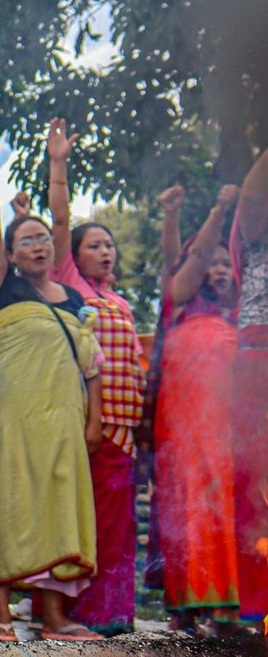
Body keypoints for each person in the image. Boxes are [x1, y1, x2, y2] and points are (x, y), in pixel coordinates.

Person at [0, 131, 104, 643]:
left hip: (66, 419)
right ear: (9, 253)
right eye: (25, 239)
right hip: (16, 415)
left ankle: (53, 620)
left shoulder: (74, 297)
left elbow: (91, 365)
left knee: (56, 507)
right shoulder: (2, 287)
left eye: (43, 238)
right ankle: (2, 617)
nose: (38, 243)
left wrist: (93, 420)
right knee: (13, 504)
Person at [44, 119, 143, 636]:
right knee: (89, 520)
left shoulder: (121, 302)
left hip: (125, 432)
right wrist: (58, 164)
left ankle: (116, 609)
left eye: (110, 245)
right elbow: (60, 222)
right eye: (94, 245)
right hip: (87, 425)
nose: (105, 252)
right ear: (75, 258)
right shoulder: (72, 289)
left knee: (119, 524)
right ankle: (83, 610)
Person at [154, 184, 242, 634]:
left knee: (225, 508)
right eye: (211, 263)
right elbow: (186, 257)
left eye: (228, 265)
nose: (220, 270)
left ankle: (222, 606)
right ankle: (191, 606)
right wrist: (220, 210)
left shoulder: (239, 316)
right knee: (186, 505)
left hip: (226, 431)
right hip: (186, 426)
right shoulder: (180, 302)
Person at [231, 147, 268, 622]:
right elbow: (253, 195)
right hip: (258, 359)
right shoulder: (255, 237)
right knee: (256, 482)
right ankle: (257, 606)